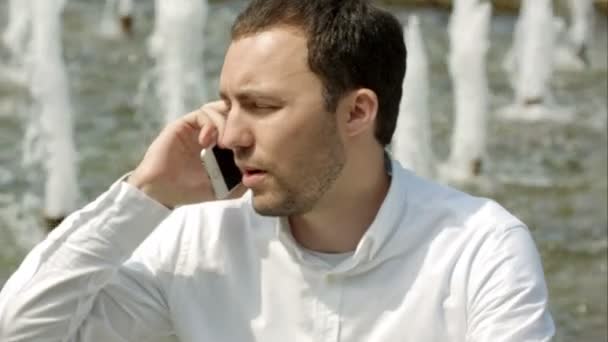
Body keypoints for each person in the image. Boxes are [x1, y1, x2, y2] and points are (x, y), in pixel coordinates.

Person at [0, 0, 555, 341]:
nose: (229, 134)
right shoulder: (201, 234)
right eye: (228, 103)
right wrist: (145, 194)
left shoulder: (480, 247)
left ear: (357, 111)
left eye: (262, 107)